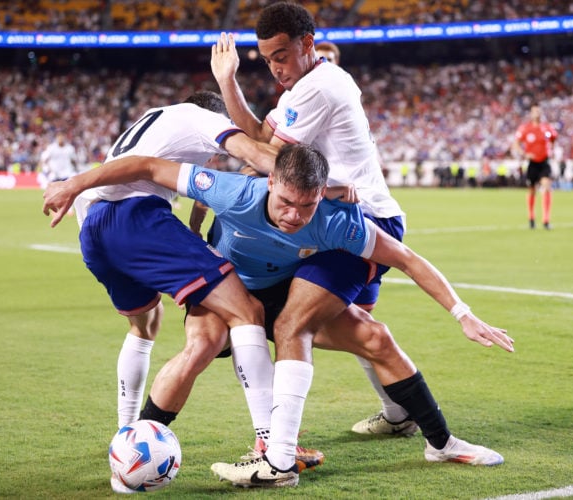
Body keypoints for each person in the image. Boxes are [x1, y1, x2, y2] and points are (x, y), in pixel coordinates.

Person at [43, 144, 515, 489]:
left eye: (306, 206)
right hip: (227, 288)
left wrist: (462, 314)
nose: (293, 215)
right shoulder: (234, 191)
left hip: (282, 295)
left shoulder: (336, 220)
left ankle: (441, 443)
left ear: (320, 197)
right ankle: (134, 444)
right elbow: (147, 165)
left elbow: (409, 258)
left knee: (375, 337)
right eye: (286, 202)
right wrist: (75, 184)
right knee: (200, 347)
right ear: (270, 182)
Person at [44, 91, 284, 494]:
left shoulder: (153, 120)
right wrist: (322, 181)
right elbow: (255, 154)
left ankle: (125, 436)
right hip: (137, 220)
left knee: (146, 325)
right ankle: (271, 446)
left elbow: (163, 182)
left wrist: (188, 232)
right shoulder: (201, 118)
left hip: (95, 227)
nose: (214, 158)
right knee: (247, 312)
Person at [210, 1, 416, 439]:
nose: (274, 69)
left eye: (280, 57)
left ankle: (276, 447)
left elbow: (269, 159)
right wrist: (227, 82)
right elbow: (262, 142)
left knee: (290, 323)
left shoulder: (317, 88)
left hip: (358, 222)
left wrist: (248, 162)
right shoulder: (298, 91)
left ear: (308, 44)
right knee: (359, 326)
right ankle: (401, 413)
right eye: (266, 61)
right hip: (352, 216)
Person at [511, 103, 558, 229]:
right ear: (531, 114)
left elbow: (552, 138)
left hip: (544, 162)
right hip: (532, 163)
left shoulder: (546, 129)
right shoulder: (525, 129)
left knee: (546, 186)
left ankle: (546, 220)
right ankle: (531, 217)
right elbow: (516, 144)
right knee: (532, 190)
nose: (536, 113)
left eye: (538, 111)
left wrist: (551, 146)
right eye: (534, 111)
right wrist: (524, 154)